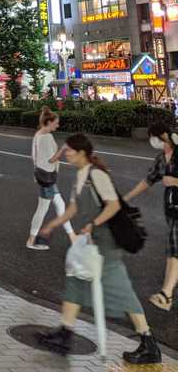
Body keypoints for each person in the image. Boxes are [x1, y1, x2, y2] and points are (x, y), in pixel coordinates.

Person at [38, 133, 161, 363]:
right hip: (93, 240)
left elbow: (113, 205)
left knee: (121, 290)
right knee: (75, 280)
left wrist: (93, 224)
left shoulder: (96, 174)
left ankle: (148, 343)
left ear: (81, 152)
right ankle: (65, 333)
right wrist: (53, 224)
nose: (66, 154)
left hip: (107, 243)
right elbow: (74, 209)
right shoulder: (80, 176)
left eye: (69, 151)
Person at [123, 122, 178, 311]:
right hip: (172, 209)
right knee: (173, 248)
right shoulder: (162, 158)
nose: (151, 142)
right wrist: (125, 198)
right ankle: (167, 293)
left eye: (153, 137)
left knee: (174, 248)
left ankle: (166, 294)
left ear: (163, 135)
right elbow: (148, 181)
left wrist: (175, 181)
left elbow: (170, 180)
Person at [26, 107, 75, 250]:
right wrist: (63, 149)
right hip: (47, 179)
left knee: (59, 205)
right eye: (56, 123)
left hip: (44, 177)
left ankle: (72, 237)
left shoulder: (39, 134)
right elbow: (51, 160)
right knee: (43, 209)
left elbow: (36, 157)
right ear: (49, 122)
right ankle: (31, 241)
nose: (58, 126)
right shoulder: (46, 137)